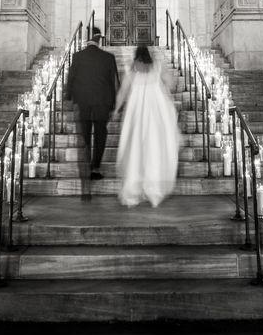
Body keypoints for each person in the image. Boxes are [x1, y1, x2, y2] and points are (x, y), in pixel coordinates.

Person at [114, 44, 181, 208]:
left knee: (137, 151)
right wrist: (166, 88)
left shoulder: (132, 71)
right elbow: (171, 84)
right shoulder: (157, 67)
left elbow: (122, 93)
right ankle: (154, 188)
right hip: (156, 116)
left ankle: (135, 186)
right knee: (154, 151)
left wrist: (116, 109)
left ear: (136, 56)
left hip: (137, 116)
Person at [66, 27, 119, 180]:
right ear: (99, 40)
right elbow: (113, 82)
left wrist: (69, 97)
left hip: (83, 101)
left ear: (87, 39)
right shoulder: (108, 57)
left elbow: (71, 78)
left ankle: (86, 165)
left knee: (85, 133)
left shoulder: (77, 56)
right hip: (103, 102)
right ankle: (95, 167)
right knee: (101, 133)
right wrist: (114, 103)